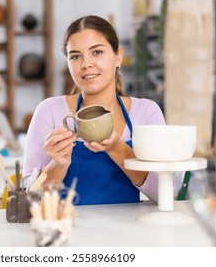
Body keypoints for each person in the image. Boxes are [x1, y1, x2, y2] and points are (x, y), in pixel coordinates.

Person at [21, 15, 165, 205]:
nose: (85, 64)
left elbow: (165, 193)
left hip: (129, 232)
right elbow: (29, 199)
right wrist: (58, 164)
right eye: (75, 56)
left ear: (118, 56)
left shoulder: (147, 112)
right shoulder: (49, 110)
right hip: (67, 230)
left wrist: (116, 147)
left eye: (96, 52)